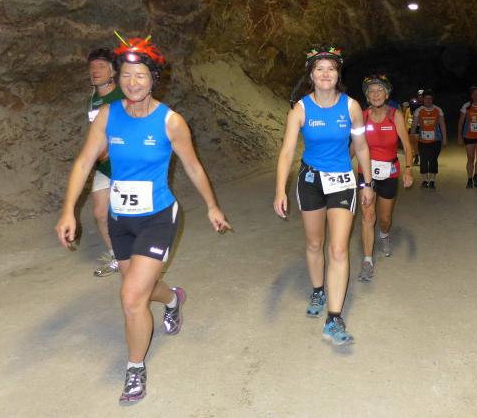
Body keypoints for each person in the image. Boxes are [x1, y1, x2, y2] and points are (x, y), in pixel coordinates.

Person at [55, 34, 232, 404]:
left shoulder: (171, 122)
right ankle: (173, 299)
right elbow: (84, 162)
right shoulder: (109, 115)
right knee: (142, 289)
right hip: (121, 219)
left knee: (131, 297)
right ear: (118, 78)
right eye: (126, 75)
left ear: (154, 79)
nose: (133, 82)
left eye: (141, 76)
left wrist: (212, 206)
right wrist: (68, 209)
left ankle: (135, 368)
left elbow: (193, 167)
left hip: (158, 218)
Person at [274, 45, 374, 346]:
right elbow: (287, 152)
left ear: (338, 74)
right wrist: (280, 189)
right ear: (311, 76)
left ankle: (334, 317)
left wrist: (368, 183)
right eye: (320, 69)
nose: (326, 74)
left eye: (331, 68)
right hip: (311, 181)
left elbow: (361, 146)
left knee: (338, 249)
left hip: (342, 181)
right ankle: (318, 289)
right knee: (314, 243)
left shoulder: (352, 107)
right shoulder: (300, 110)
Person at [355, 75, 414, 280]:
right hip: (366, 172)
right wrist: (340, 165)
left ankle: (385, 234)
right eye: (371, 91)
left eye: (380, 90)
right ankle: (367, 260)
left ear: (387, 94)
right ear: (367, 96)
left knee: (385, 218)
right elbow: (355, 145)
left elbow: (407, 146)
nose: (376, 94)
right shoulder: (362, 116)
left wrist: (408, 169)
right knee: (367, 215)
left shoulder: (394, 115)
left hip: (389, 171)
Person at [85, 47, 126, 277]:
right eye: (92, 67)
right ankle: (117, 257)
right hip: (104, 167)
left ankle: (139, 257)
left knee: (129, 213)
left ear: (113, 71)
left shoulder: (121, 97)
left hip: (124, 166)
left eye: (101, 66)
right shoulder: (94, 98)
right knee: (101, 213)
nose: (95, 71)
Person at [412, 89, 447, 188]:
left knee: (433, 160)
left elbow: (442, 125)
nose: (428, 101)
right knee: (423, 160)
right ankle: (424, 180)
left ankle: (432, 180)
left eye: (430, 99)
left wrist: (444, 139)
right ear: (423, 99)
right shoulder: (418, 111)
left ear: (432, 99)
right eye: (426, 99)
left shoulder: (438, 110)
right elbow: (414, 125)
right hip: (422, 140)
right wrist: (411, 137)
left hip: (436, 140)